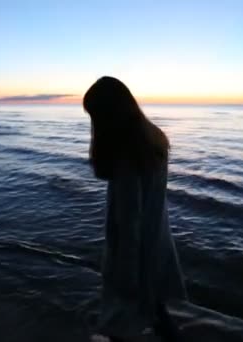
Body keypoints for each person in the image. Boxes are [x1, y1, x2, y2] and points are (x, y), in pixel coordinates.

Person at [84, 76, 187, 342]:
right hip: (157, 240)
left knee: (121, 320)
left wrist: (126, 275)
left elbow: (129, 222)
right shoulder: (154, 139)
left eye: (95, 116)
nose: (94, 124)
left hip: (135, 254)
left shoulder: (127, 158)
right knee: (155, 310)